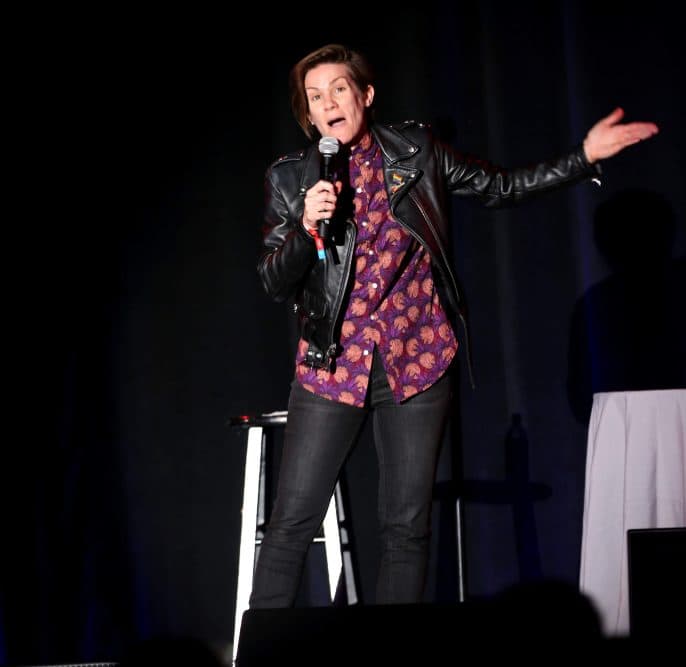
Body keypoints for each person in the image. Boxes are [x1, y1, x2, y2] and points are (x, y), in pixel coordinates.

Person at [249, 43, 658, 609]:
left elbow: (502, 187)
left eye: (338, 89)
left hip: (416, 361)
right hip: (332, 367)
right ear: (309, 116)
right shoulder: (292, 179)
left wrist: (582, 157)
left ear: (365, 95)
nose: (327, 104)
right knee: (291, 523)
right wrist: (305, 227)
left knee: (406, 528)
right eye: (314, 98)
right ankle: (259, 658)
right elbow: (274, 279)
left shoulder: (416, 151)